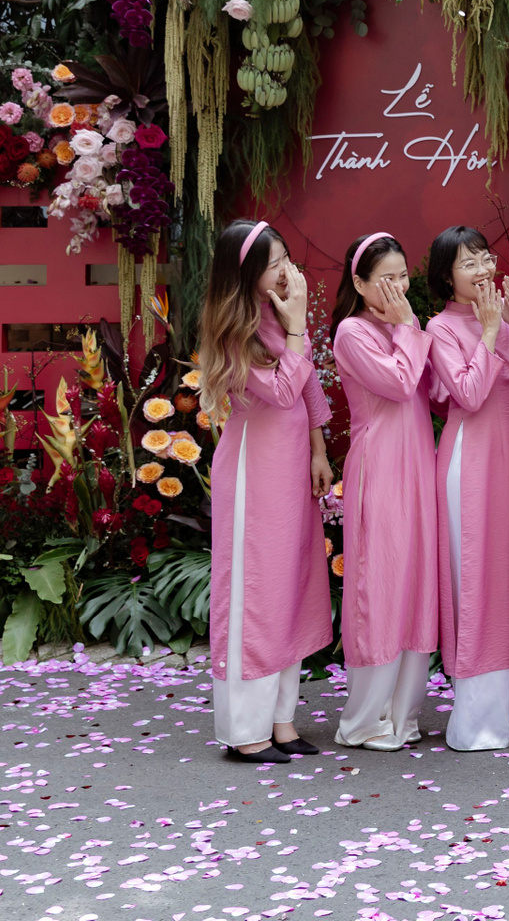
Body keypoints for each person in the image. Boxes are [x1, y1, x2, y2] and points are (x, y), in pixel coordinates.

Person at [198, 219, 333, 764]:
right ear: (247, 271)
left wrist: (320, 450)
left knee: (289, 589)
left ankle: (280, 722)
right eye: (274, 262)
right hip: (255, 471)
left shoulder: (280, 314)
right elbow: (279, 392)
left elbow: (309, 386)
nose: (285, 270)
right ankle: (245, 729)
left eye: (285, 258)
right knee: (256, 592)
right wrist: (298, 327)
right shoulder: (236, 327)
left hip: (292, 464)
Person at [330, 232, 439, 752]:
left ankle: (403, 714)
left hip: (418, 463)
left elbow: (426, 387)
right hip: (379, 467)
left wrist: (406, 328)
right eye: (385, 279)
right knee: (381, 584)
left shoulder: (400, 325)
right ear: (359, 283)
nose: (397, 288)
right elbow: (398, 384)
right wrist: (408, 327)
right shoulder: (352, 332)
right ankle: (364, 719)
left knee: (416, 583)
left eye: (402, 277)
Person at [425, 226, 509, 752]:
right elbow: (467, 393)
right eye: (469, 264)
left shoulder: (503, 314)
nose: (484, 269)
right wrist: (489, 331)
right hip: (473, 463)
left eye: (485, 257)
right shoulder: (440, 327)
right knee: (479, 579)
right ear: (447, 278)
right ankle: (479, 722)